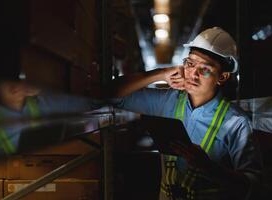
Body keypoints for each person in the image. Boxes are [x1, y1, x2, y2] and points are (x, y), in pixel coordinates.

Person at [110, 27, 262, 200]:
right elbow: (111, 95)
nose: (193, 74)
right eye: (190, 64)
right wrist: (160, 74)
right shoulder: (167, 101)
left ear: (223, 77)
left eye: (205, 69)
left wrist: (209, 168)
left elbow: (253, 185)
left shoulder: (236, 122)